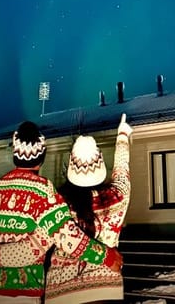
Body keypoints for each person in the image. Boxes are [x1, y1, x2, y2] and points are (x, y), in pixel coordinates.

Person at [0, 114, 133, 303]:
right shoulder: (47, 195)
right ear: (41, 158)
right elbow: (63, 238)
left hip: (50, 293)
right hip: (30, 293)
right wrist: (122, 136)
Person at [45, 112, 132, 303]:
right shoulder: (118, 196)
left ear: (70, 167)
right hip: (106, 289)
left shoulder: (56, 203)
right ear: (100, 164)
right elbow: (122, 169)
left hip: (61, 291)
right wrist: (122, 136)